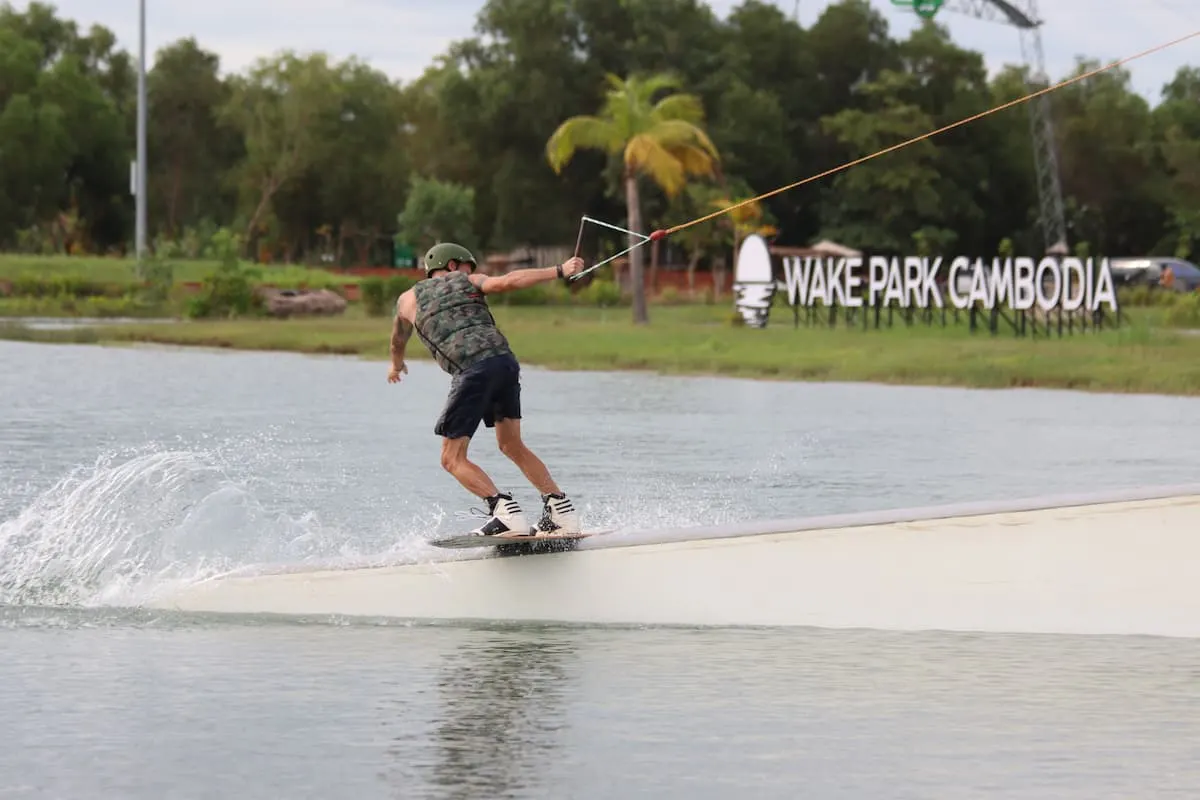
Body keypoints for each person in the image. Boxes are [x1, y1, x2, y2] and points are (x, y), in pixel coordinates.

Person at [387, 242, 585, 538]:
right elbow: (508, 281)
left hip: (473, 371)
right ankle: (560, 512)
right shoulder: (469, 281)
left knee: (451, 459)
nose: (470, 272)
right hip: (505, 363)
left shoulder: (407, 300)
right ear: (452, 265)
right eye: (469, 266)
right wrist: (558, 271)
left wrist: (396, 365)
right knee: (511, 445)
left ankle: (504, 513)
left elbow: (397, 339)